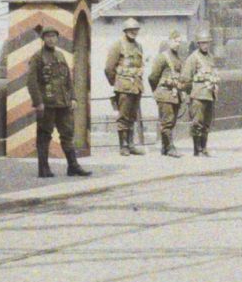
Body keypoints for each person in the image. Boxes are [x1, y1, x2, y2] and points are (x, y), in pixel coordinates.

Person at [25, 26, 90, 179]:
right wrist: (38, 102)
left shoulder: (61, 56)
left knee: (67, 134)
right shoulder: (37, 57)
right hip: (47, 103)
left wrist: (73, 97)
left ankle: (73, 166)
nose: (51, 39)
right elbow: (31, 82)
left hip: (64, 103)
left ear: (57, 38)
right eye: (48, 36)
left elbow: (68, 79)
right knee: (44, 135)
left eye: (54, 36)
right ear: (43, 39)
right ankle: (43, 169)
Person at [104, 17, 149, 155]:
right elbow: (109, 68)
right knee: (123, 116)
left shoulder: (138, 46)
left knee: (132, 116)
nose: (133, 32)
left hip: (136, 86)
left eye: (135, 30)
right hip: (123, 86)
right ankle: (123, 146)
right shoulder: (118, 45)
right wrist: (116, 83)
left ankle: (130, 144)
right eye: (131, 30)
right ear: (125, 30)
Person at [149, 32, 187, 157]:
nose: (177, 44)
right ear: (169, 41)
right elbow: (153, 77)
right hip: (165, 93)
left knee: (172, 121)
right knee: (167, 121)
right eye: (175, 41)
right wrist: (158, 91)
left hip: (175, 94)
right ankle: (170, 148)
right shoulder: (162, 57)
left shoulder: (177, 57)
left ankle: (164, 148)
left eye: (179, 42)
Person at [184, 36, 220, 156]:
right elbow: (186, 78)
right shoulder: (193, 58)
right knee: (197, 122)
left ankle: (204, 148)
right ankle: (197, 149)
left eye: (207, 43)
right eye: (203, 43)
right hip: (198, 95)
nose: (205, 45)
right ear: (198, 44)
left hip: (209, 94)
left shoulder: (210, 57)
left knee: (206, 123)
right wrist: (189, 94)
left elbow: (213, 73)